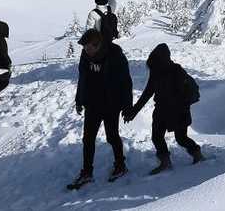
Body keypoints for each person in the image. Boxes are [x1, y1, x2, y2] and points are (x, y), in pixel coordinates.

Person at [68, 29, 133, 190]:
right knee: (88, 139)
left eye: (89, 48)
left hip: (112, 103)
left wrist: (127, 105)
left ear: (98, 45)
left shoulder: (115, 54)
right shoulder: (85, 55)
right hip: (93, 103)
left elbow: (126, 82)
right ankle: (87, 173)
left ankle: (120, 166)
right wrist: (79, 100)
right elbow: (82, 78)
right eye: (84, 48)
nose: (86, 51)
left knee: (112, 136)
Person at [124, 43, 204, 174]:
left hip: (179, 111)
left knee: (181, 138)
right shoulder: (155, 72)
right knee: (157, 137)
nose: (154, 66)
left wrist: (179, 108)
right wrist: (133, 112)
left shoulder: (177, 71)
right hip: (161, 110)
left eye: (156, 61)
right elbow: (147, 93)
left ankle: (197, 154)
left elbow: (183, 94)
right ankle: (165, 162)